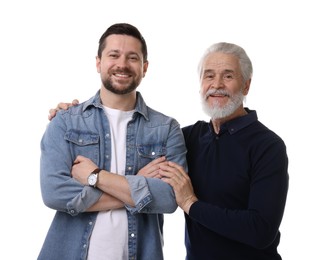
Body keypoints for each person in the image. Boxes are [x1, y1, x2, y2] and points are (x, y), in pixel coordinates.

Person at [49, 42, 289, 260]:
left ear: (246, 85)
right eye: (209, 76)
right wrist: (72, 114)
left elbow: (260, 230)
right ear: (200, 85)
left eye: (228, 76)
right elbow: (137, 142)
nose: (217, 84)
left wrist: (190, 203)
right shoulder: (190, 138)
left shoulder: (268, 146)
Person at [39, 23, 187, 260]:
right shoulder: (66, 122)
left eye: (132, 57)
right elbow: (54, 193)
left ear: (144, 67)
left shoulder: (166, 129)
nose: (122, 64)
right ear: (98, 62)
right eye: (114, 55)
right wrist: (139, 186)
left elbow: (169, 198)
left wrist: (95, 177)